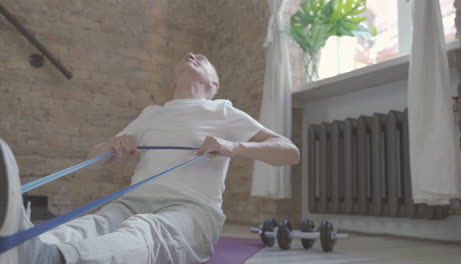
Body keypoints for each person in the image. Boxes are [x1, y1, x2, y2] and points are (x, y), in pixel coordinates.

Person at [0, 53, 300, 264]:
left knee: (145, 230)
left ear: (214, 85)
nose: (191, 54)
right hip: (131, 203)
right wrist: (113, 145)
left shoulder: (224, 111)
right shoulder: (152, 114)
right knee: (94, 224)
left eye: (202, 58)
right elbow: (94, 158)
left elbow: (289, 151)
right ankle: (20, 246)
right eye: (188, 55)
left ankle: (55, 258)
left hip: (191, 210)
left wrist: (235, 147)